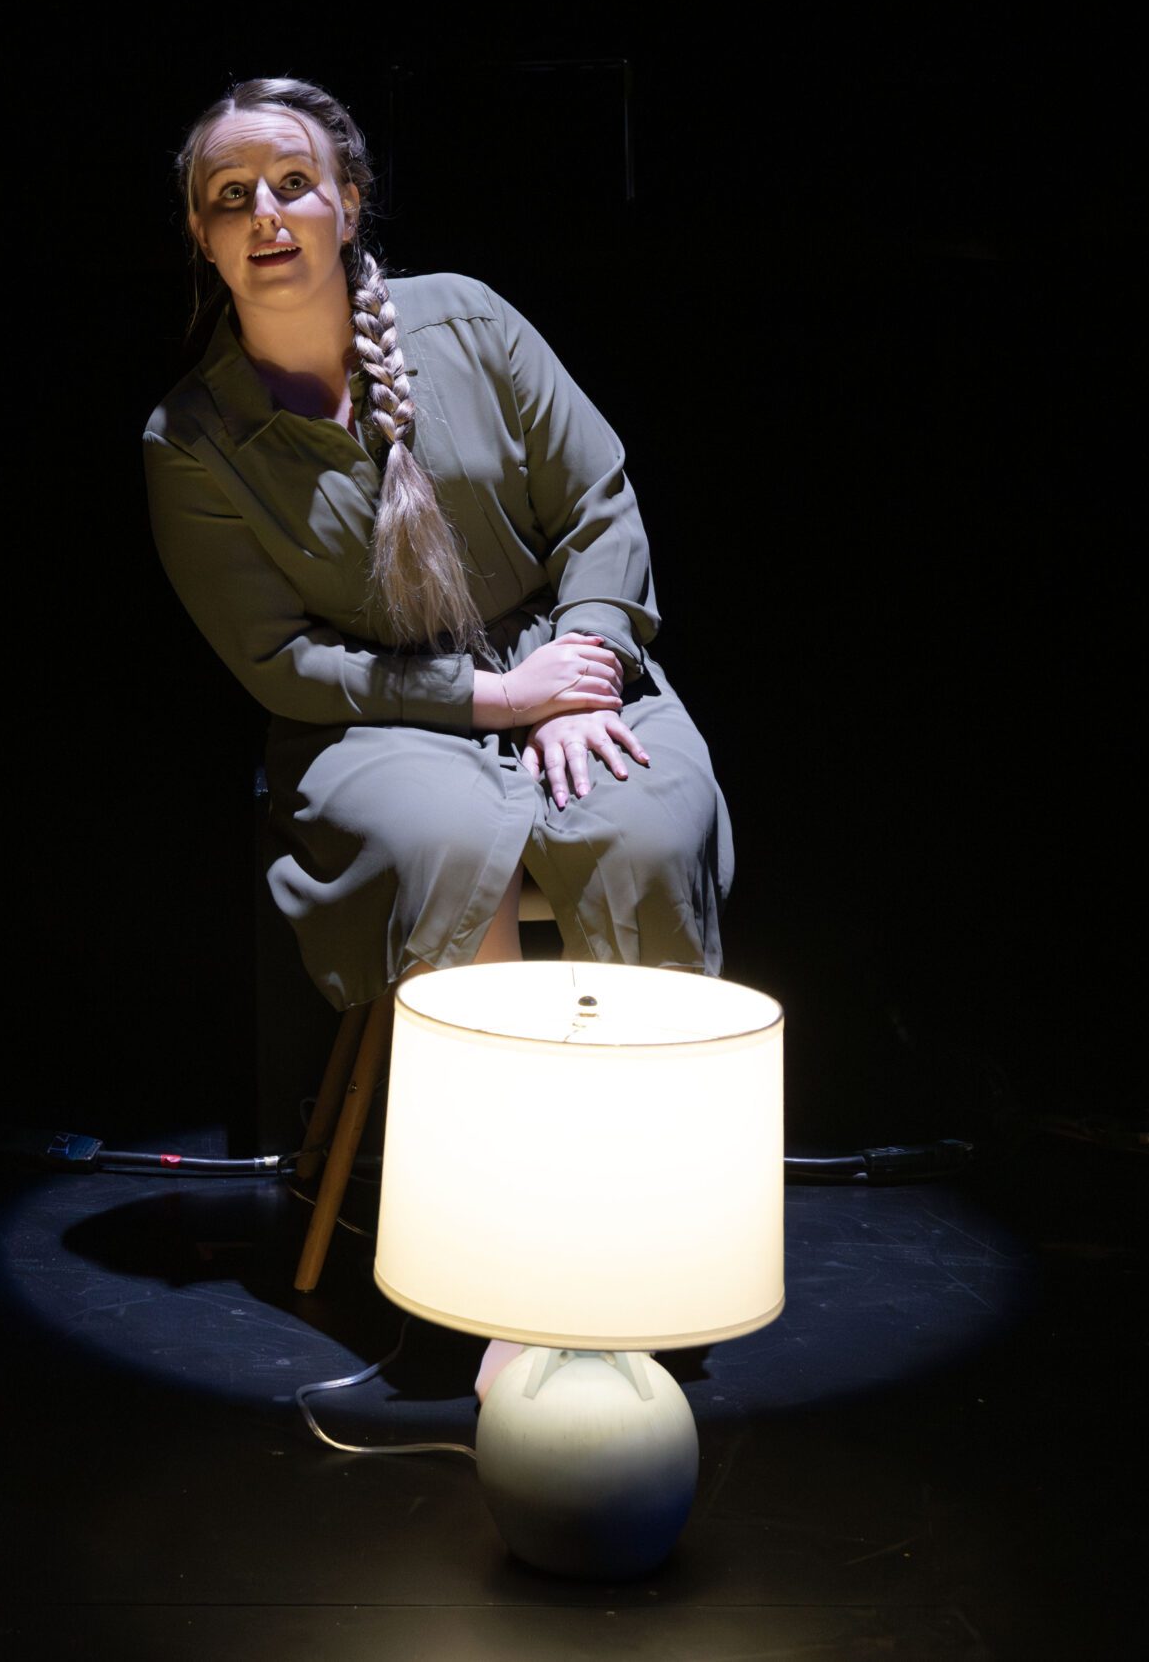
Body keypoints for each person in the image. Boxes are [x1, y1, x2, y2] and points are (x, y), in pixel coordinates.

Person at [141, 78, 732, 1401]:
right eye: (231, 197)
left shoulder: (467, 321)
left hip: (571, 657)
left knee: (640, 825)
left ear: (349, 204)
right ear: (200, 234)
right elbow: (283, 661)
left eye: (293, 182)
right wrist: (488, 706)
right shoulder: (193, 438)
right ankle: (498, 1246)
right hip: (375, 712)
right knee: (458, 835)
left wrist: (580, 672)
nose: (267, 213)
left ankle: (645, 1228)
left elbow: (599, 502)